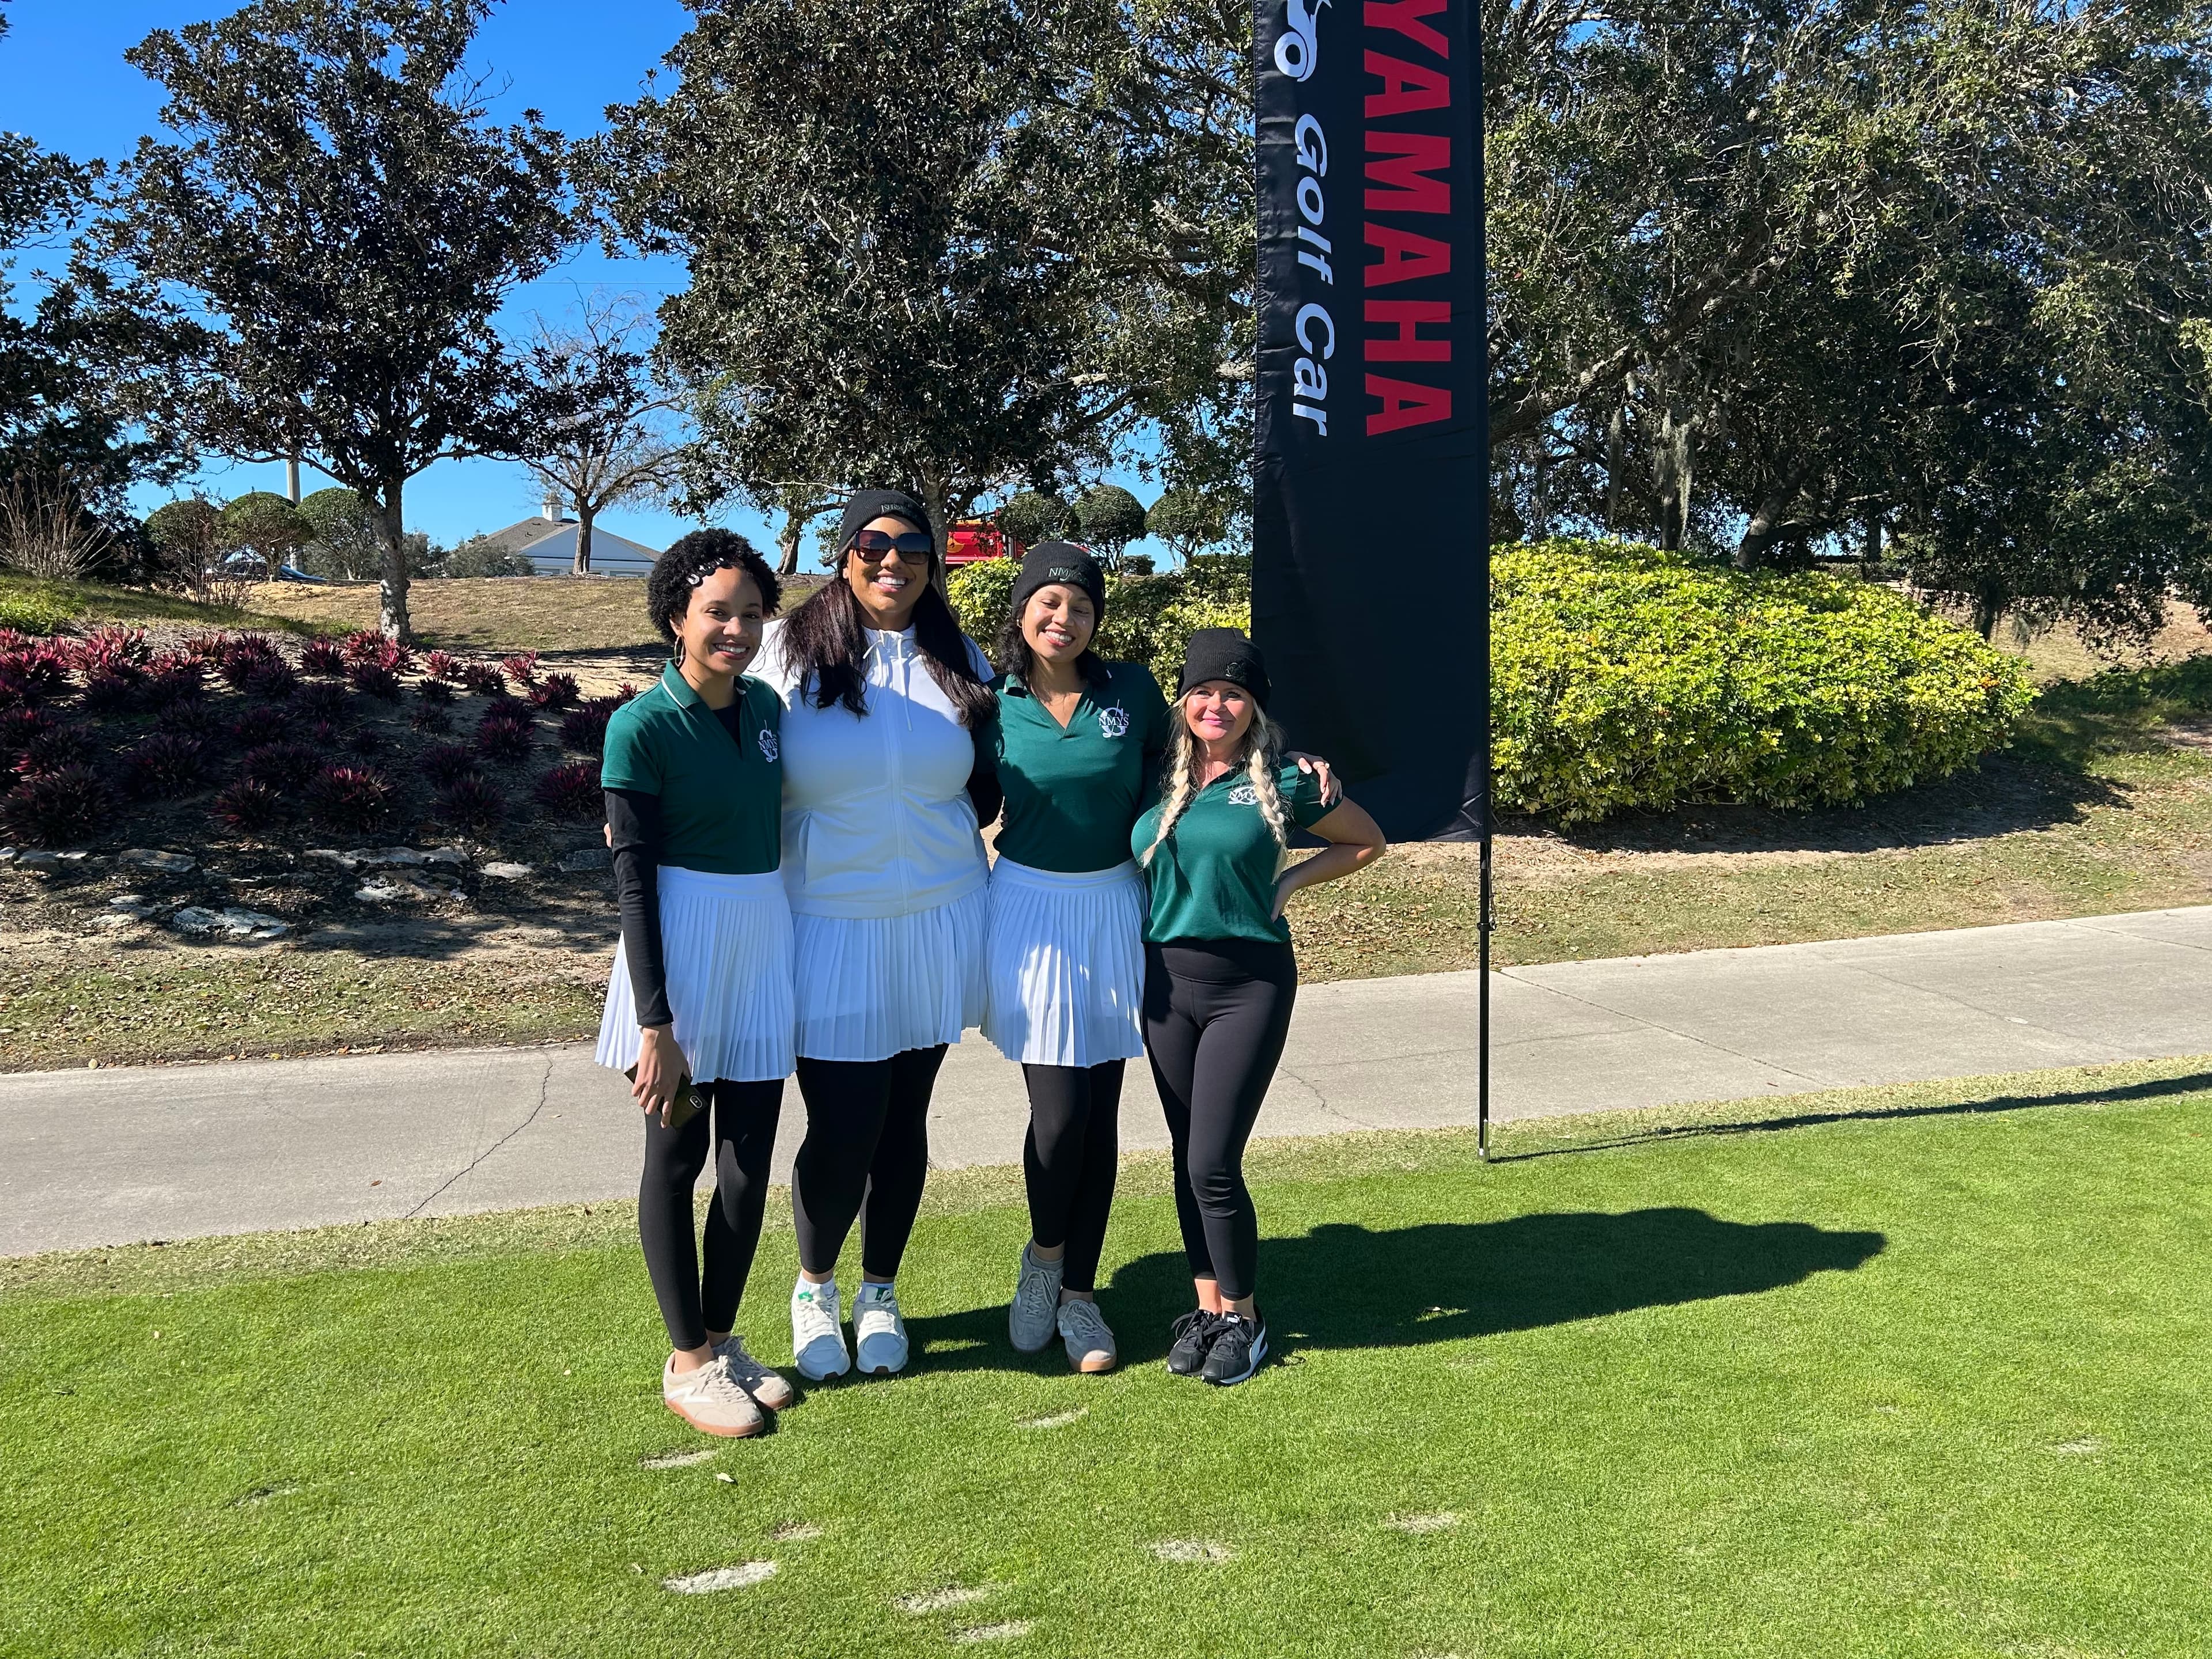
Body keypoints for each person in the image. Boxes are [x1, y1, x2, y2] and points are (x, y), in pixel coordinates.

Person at [752, 488, 1001, 1382]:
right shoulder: (784, 650)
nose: (893, 562)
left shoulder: (957, 655)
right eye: (874, 545)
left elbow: (994, 781)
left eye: (914, 548)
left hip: (938, 916)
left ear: (934, 563)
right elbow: (723, 750)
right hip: (829, 922)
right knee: (844, 1123)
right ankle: (814, 1288)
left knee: (904, 1121)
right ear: (845, 554)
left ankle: (881, 1291)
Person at [1131, 628, 1387, 1387]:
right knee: (1187, 1155)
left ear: (1254, 707)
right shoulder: (1155, 773)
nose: (1217, 705)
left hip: (1248, 984)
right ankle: (1208, 1310)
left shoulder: (1287, 780)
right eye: (1204, 691)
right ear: (1184, 700)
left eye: (1234, 693)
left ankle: (1246, 1319)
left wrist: (1288, 883)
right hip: (1164, 983)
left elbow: (1365, 841)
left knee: (1213, 1161)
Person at [593, 529, 796, 1438]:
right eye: (718, 612)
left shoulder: (766, 708)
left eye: (751, 614)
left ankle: (719, 1340)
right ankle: (686, 1363)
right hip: (678, 955)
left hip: (760, 942)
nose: (736, 630)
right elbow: (633, 883)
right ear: (676, 616)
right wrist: (656, 1024)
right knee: (676, 1163)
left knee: (748, 1171)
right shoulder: (640, 725)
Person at [980, 543, 1167, 1374]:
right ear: (1023, 611)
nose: (1065, 618)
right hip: (1028, 908)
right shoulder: (991, 701)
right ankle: (1044, 1261)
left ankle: (1081, 1297)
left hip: (1115, 906)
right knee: (1058, 1118)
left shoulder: (1134, 690)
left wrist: (1295, 757)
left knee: (1100, 1115)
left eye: (1082, 606)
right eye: (1049, 603)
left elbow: (1206, 753)